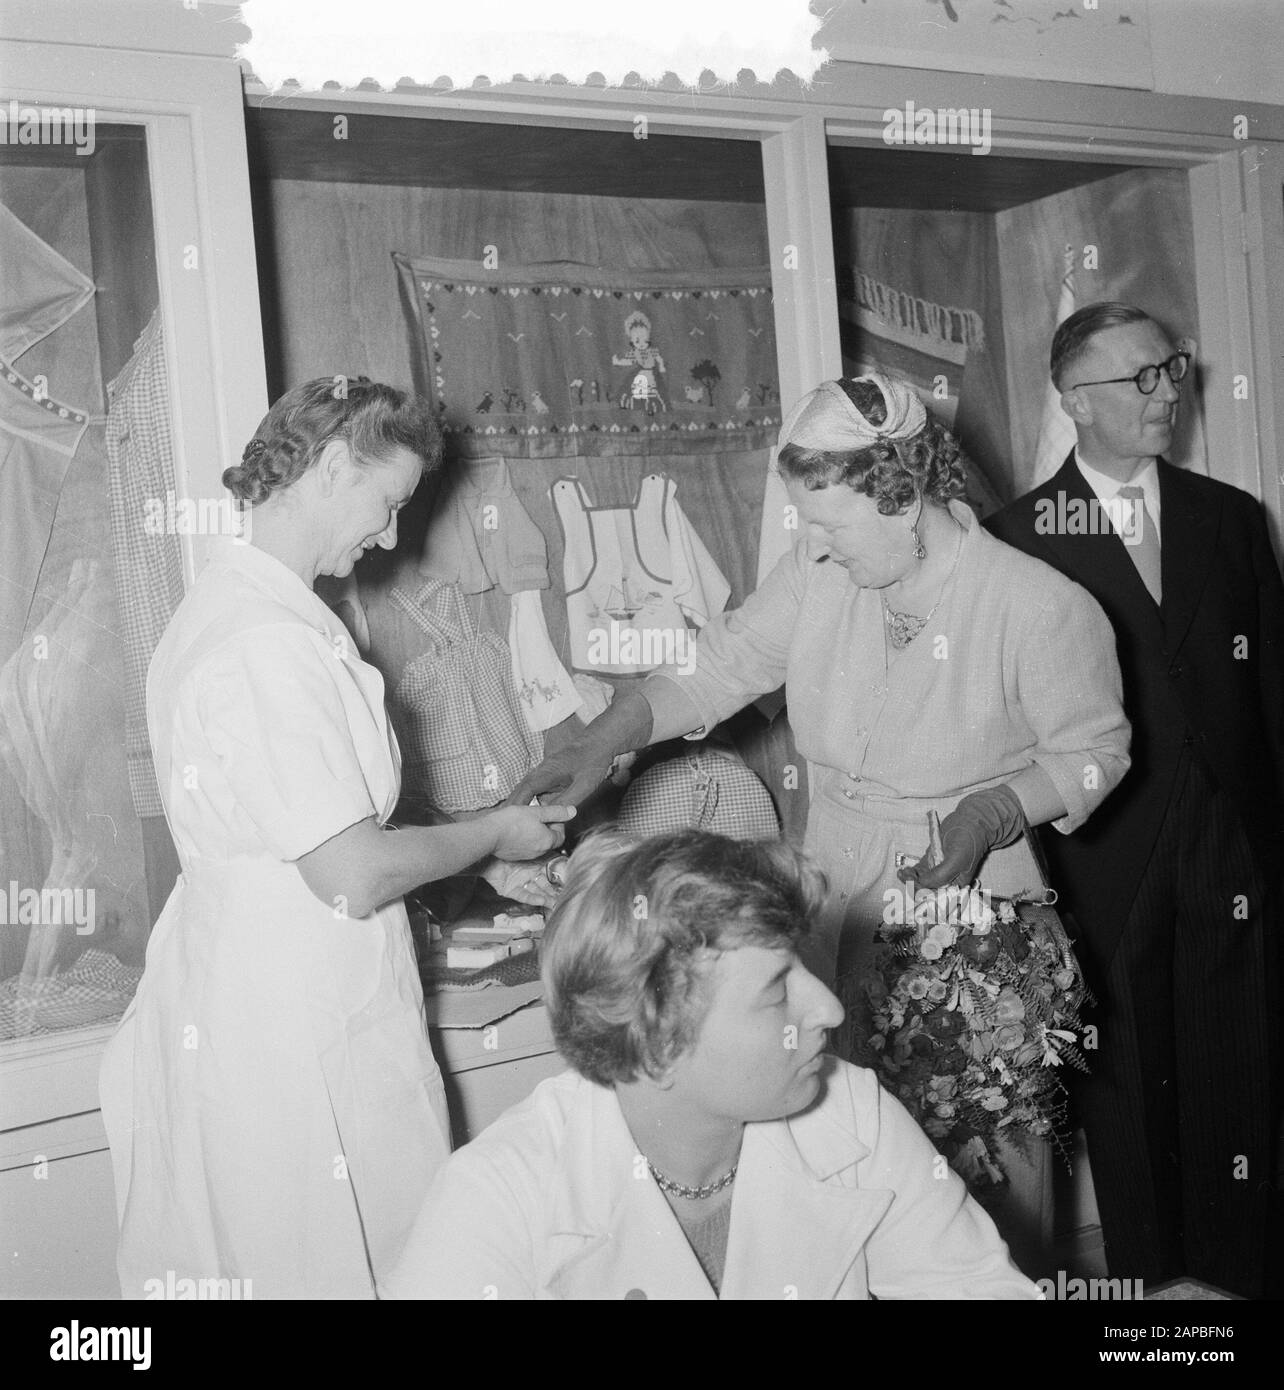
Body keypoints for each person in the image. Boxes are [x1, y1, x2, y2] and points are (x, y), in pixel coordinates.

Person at [98, 377, 573, 1299]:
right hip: (291, 1018)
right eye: (387, 503)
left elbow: (311, 828)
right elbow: (349, 871)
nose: (391, 537)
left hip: (260, 989)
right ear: (326, 469)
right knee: (325, 1261)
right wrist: (491, 832)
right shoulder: (265, 646)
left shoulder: (235, 613)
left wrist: (481, 860)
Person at [383, 829, 1041, 1300]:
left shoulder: (852, 1113)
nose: (829, 1011)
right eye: (776, 987)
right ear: (659, 1036)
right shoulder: (497, 1198)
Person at [987, 302, 1284, 1299]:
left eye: (1174, 371)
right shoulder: (1014, 539)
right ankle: (1157, 1294)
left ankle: (1239, 1282)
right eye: (1140, 379)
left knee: (1239, 1063)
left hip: (1232, 844)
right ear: (1074, 401)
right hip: (1100, 851)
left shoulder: (1232, 520)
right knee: (1126, 1084)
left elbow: (1274, 692)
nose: (1168, 394)